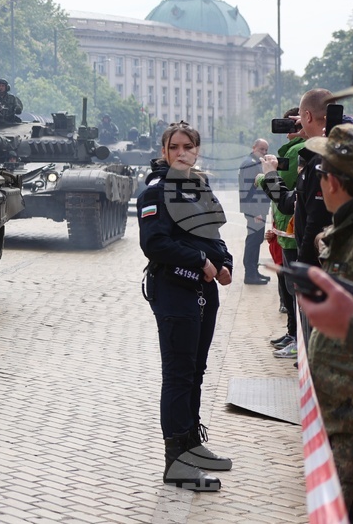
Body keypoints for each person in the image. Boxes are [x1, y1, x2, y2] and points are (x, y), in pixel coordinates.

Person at [138, 121, 233, 492]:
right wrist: (199, 260)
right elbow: (154, 244)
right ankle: (176, 461)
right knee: (178, 374)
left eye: (188, 147)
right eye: (174, 147)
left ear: (197, 151)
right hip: (173, 289)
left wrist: (224, 263)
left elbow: (215, 235)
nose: (181, 153)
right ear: (164, 151)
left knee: (196, 371)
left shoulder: (199, 188)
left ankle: (192, 444)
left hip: (204, 291)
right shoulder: (155, 191)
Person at [295, 124, 353, 520]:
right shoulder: (347, 229)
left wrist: (348, 322)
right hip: (343, 422)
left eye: (321, 173)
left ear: (333, 182)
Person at [261, 89, 334, 351]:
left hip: (319, 266)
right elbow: (292, 202)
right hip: (324, 264)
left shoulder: (320, 162)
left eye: (302, 119)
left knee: (316, 344)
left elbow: (313, 219)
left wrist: (301, 268)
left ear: (307, 116)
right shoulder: (323, 155)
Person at [263, 108, 305, 354]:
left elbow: (285, 193)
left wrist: (265, 177)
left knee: (294, 290)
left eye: (294, 124)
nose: (288, 129)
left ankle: (297, 339)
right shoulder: (295, 149)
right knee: (288, 288)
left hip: (294, 232)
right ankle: (293, 335)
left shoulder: (299, 150)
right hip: (286, 230)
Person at [239, 138, 270, 284]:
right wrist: (255, 212)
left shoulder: (255, 163)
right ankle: (250, 274)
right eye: (261, 149)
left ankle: (254, 271)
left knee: (257, 240)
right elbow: (249, 190)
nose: (264, 152)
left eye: (266, 150)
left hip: (258, 209)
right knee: (253, 241)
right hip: (255, 210)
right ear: (254, 148)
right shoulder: (250, 164)